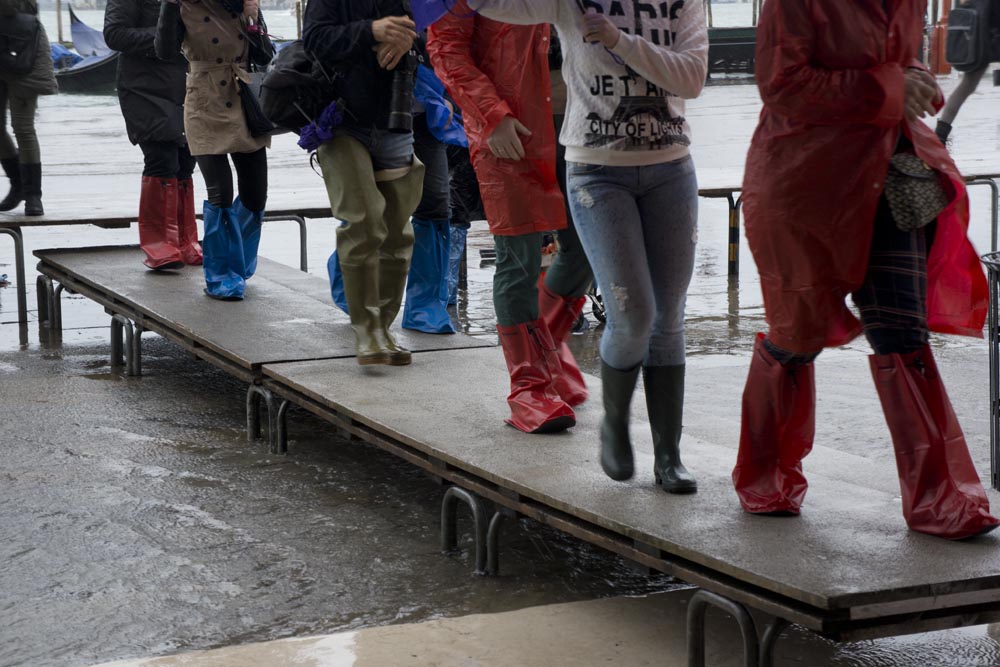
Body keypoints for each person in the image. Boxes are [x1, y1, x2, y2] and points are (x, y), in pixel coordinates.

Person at [732, 0, 998, 539]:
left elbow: (904, 60)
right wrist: (892, 86)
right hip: (806, 190)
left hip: (887, 178)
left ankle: (940, 495)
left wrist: (917, 79)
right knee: (797, 335)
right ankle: (766, 474)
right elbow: (782, 85)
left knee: (902, 332)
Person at [466, 0, 706, 493]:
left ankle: (668, 455)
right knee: (633, 312)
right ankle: (613, 423)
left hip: (672, 167)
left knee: (669, 316)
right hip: (596, 168)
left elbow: (692, 78)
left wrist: (621, 41)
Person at [429, 1, 593, 435]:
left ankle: (547, 355)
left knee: (589, 250)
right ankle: (529, 387)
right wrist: (492, 116)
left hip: (584, 124)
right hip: (512, 128)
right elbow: (445, 48)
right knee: (518, 256)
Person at [303, 0, 425, 365]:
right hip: (341, 119)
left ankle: (384, 329)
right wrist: (370, 31)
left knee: (397, 233)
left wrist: (411, 41)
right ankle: (367, 331)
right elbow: (313, 39)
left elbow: (441, 41)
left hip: (395, 115)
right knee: (364, 221)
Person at [156, 0, 272, 299]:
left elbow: (265, 55)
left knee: (255, 195)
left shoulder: (247, 4)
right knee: (220, 192)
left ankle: (239, 263)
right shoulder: (181, 5)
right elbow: (164, 52)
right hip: (204, 99)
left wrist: (252, 21)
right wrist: (169, 7)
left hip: (243, 97)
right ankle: (221, 275)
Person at [105, 0, 202, 270]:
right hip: (143, 86)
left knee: (186, 161)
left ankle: (185, 241)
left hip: (185, 83)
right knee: (161, 158)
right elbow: (114, 34)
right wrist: (168, 35)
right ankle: (160, 246)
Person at [0, 0, 57, 217]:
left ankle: (33, 194)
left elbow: (12, 8)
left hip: (24, 49)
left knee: (23, 127)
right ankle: (18, 185)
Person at [936, 0, 1000, 144]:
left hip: (976, 39)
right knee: (967, 86)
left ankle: (940, 135)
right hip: (985, 40)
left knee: (966, 86)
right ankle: (940, 136)